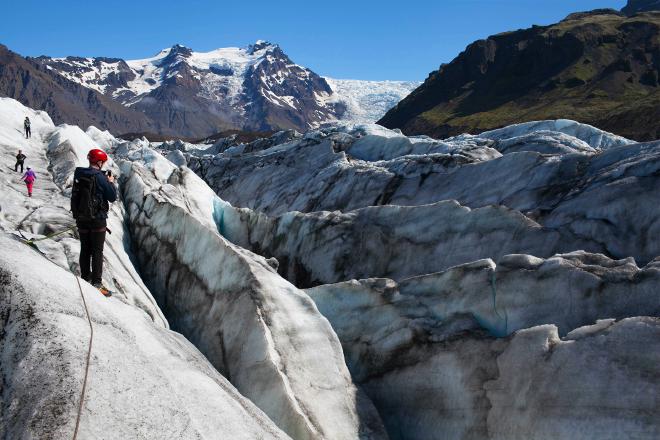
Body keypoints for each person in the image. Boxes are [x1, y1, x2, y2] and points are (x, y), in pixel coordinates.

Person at [71, 148, 117, 297]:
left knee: (85, 249)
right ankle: (97, 283)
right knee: (97, 251)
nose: (103, 164)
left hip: (82, 218)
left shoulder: (78, 173)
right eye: (102, 162)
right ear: (99, 162)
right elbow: (112, 197)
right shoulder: (101, 177)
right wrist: (110, 182)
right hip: (97, 220)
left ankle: (85, 277)